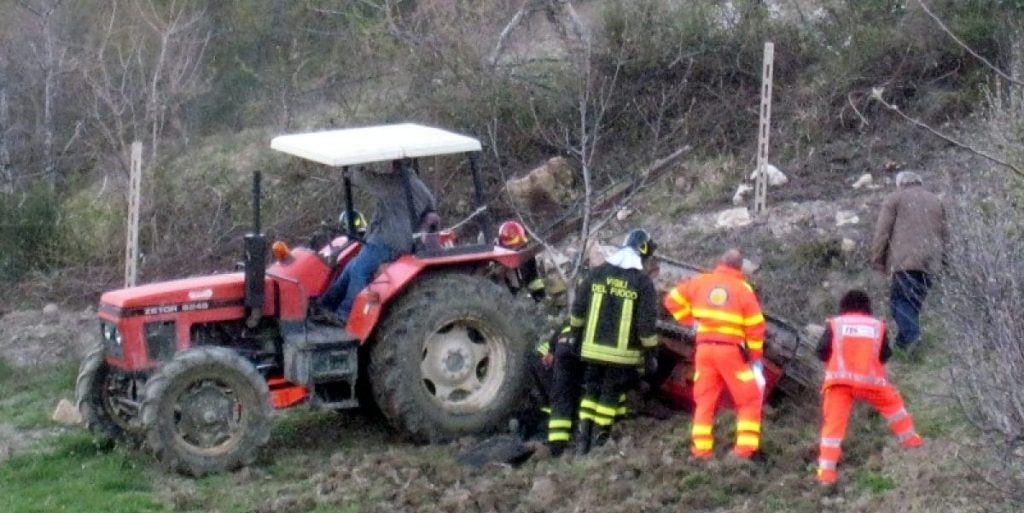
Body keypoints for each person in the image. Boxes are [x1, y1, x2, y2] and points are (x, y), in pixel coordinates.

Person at [663, 248, 766, 461]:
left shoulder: (701, 281)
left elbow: (671, 300)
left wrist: (691, 321)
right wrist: (755, 360)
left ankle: (701, 451)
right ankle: (743, 452)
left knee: (704, 401)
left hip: (704, 351)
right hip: (730, 352)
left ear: (720, 262)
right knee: (749, 400)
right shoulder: (743, 289)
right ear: (739, 268)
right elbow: (756, 328)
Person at [814, 289, 923, 485]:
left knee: (832, 428)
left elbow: (821, 352)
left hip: (839, 383)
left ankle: (826, 475)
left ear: (843, 306)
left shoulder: (835, 324)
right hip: (871, 382)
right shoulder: (877, 326)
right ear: (867, 307)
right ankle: (911, 443)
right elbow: (885, 355)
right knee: (895, 407)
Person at [567, 228, 660, 455]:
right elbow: (646, 327)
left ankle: (582, 441)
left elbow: (578, 310)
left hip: (591, 349)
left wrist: (574, 336)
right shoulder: (642, 283)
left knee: (591, 391)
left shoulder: (596, 274)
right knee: (609, 393)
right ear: (643, 251)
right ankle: (600, 439)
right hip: (622, 355)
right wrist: (651, 354)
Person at [317, 160, 436, 324]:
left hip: (388, 240)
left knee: (359, 269)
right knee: (351, 265)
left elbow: (369, 181)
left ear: (399, 164)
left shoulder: (397, 183)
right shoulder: (420, 187)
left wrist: (353, 171)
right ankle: (326, 304)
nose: (393, 165)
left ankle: (345, 314)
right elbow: (431, 207)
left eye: (395, 162)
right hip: (401, 239)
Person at [869, 170, 948, 351]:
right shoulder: (936, 201)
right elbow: (945, 235)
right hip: (930, 263)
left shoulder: (894, 199)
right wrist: (945, 261)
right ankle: (903, 345)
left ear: (900, 184)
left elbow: (882, 232)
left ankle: (912, 338)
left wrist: (877, 259)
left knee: (900, 303)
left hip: (904, 262)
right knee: (914, 304)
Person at [496, 220, 546, 302]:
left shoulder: (526, 254)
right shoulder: (499, 260)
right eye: (515, 243)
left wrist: (539, 295)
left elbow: (533, 278)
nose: (519, 246)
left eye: (520, 243)